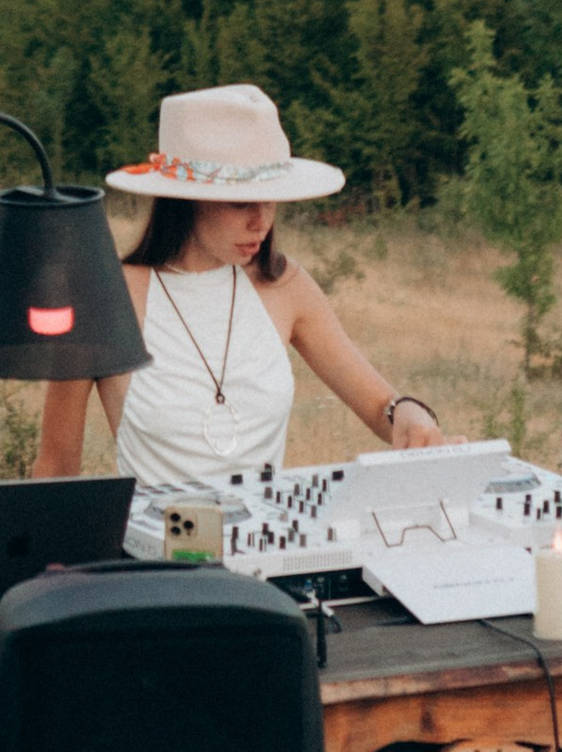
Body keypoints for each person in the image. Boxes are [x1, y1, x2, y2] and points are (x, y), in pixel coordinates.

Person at [33, 84, 447, 514]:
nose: (261, 221)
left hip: (265, 563)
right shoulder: (103, 297)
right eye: (239, 202)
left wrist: (411, 415)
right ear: (186, 200)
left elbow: (381, 405)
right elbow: (58, 467)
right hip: (151, 567)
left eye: (271, 200)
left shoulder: (288, 288)